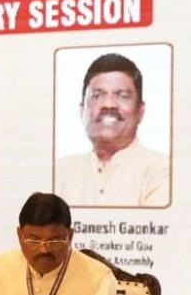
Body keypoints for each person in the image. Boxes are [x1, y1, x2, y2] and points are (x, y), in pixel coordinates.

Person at [55, 53, 169, 206]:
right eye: (97, 96)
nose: (108, 104)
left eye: (122, 96)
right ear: (82, 110)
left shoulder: (163, 170)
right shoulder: (60, 172)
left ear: (140, 111)